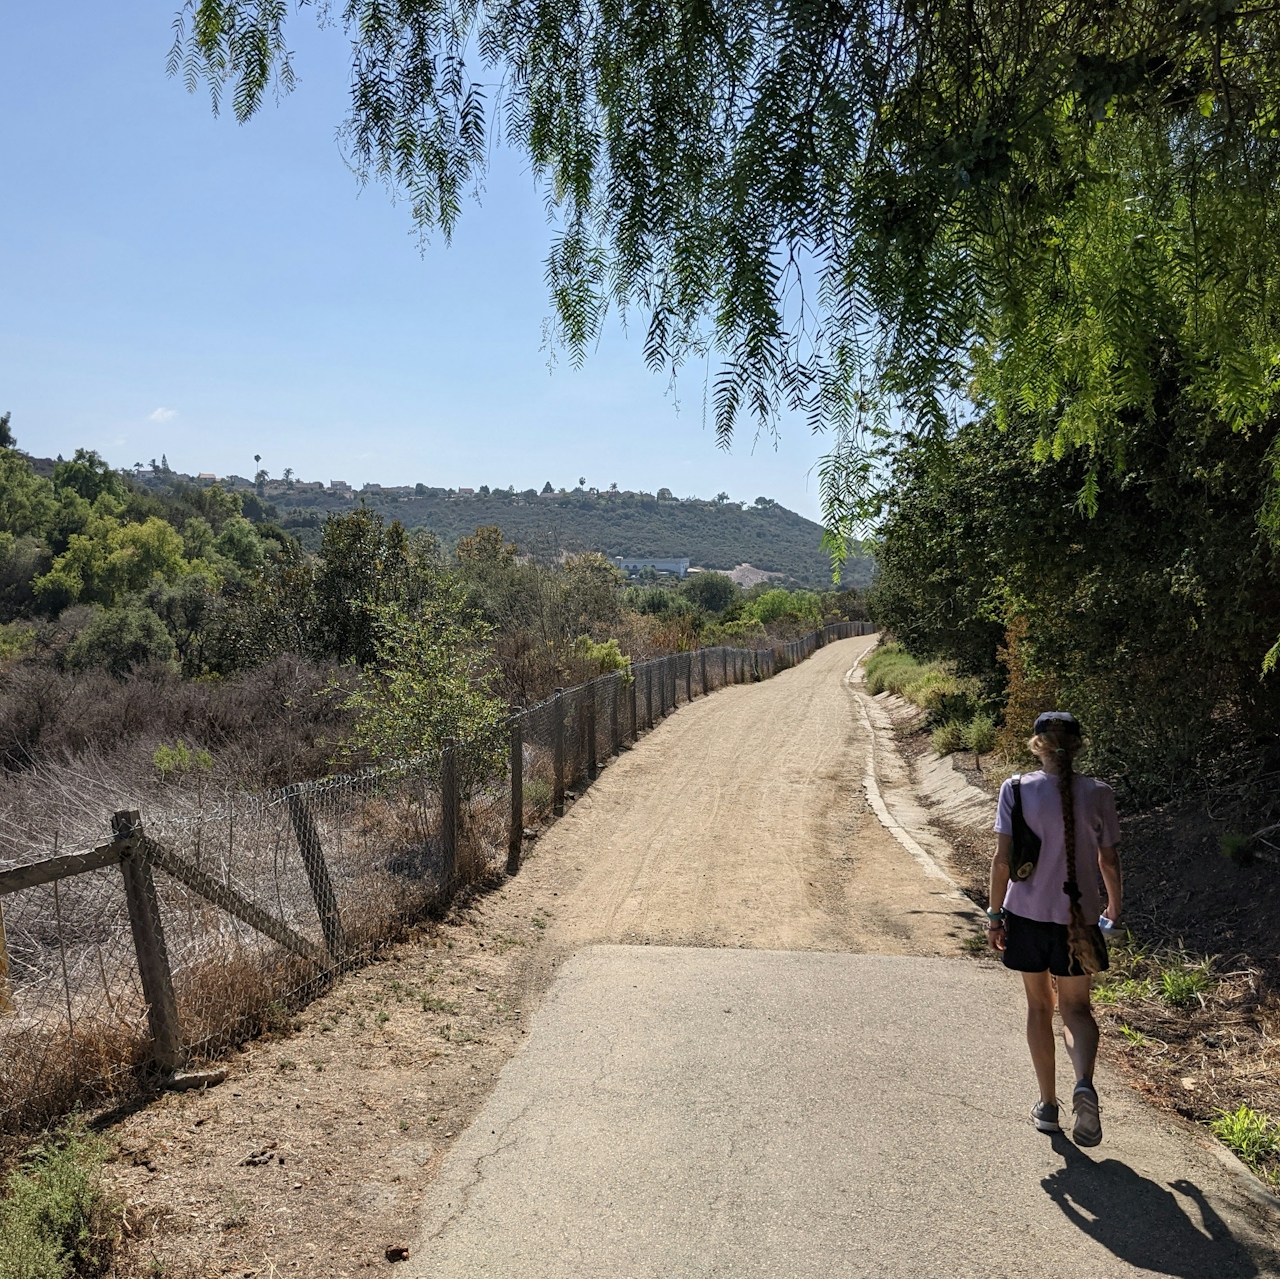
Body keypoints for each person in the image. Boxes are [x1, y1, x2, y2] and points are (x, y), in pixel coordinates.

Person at [986, 711, 1122, 1146]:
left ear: (1037, 745)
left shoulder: (1017, 789)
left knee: (1040, 1009)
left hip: (1026, 917)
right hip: (1079, 920)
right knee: (1078, 1011)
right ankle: (1083, 1083)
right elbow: (1109, 861)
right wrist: (1114, 910)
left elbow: (1003, 860)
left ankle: (1048, 1106)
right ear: (1079, 746)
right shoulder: (1099, 793)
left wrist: (993, 915)